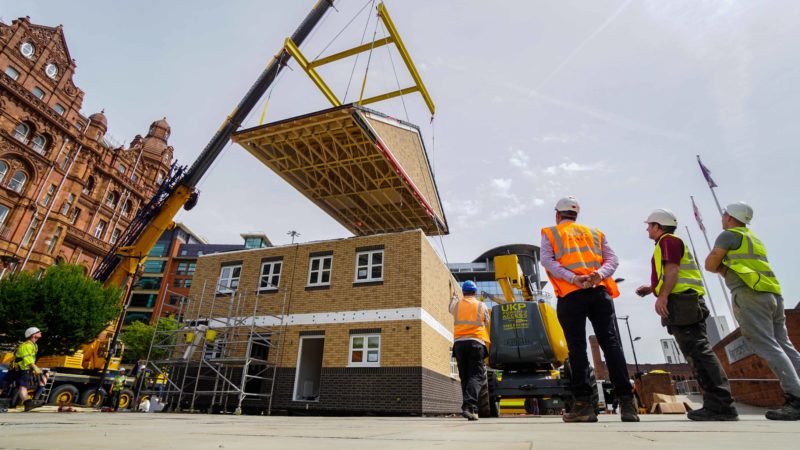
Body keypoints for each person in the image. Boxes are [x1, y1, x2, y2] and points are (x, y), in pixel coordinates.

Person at [541, 197, 638, 423]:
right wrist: (598, 275)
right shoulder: (595, 233)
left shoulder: (550, 232)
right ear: (576, 215)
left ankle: (584, 406)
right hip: (599, 292)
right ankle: (627, 403)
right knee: (611, 344)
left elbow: (547, 260)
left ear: (558, 215)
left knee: (577, 349)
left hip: (570, 294)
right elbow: (612, 260)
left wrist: (573, 278)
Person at [636, 209, 738, 421]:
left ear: (658, 226)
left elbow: (673, 270)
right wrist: (653, 288)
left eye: (649, 225)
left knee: (698, 351)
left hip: (683, 301)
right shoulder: (667, 243)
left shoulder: (668, 241)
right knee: (695, 352)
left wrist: (662, 296)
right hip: (683, 300)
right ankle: (717, 404)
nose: (647, 229)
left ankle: (721, 405)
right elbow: (671, 273)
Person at [705, 202, 800, 421]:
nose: (722, 218)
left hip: (749, 293)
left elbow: (710, 265)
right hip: (772, 292)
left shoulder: (727, 236)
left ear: (729, 217)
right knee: (785, 345)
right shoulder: (753, 238)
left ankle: (795, 397)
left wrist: (722, 266)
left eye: (724, 215)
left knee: (768, 345)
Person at [449, 280, 490, 421]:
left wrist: (454, 298)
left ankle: (472, 409)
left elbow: (450, 308)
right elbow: (487, 321)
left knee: (466, 377)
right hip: (475, 342)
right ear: (475, 291)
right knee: (477, 376)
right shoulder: (481, 305)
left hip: (459, 344)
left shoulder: (456, 304)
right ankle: (468, 406)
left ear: (464, 292)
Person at [14, 327, 43, 412]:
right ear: (34, 335)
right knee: (4, 386)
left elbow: (31, 358)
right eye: (38, 332)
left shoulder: (34, 345)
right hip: (19, 368)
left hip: (23, 368)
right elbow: (27, 358)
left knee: (22, 386)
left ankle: (28, 404)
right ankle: (28, 404)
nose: (40, 332)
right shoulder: (26, 345)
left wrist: (33, 367)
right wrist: (34, 367)